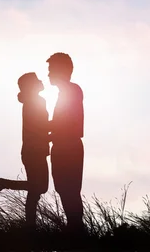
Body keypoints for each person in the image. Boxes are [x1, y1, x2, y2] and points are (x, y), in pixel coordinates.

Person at [0, 72, 50, 229]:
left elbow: (40, 127)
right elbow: (40, 127)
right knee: (40, 187)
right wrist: (59, 128)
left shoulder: (31, 102)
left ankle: (30, 226)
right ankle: (6, 183)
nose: (41, 81)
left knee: (35, 190)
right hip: (35, 151)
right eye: (37, 80)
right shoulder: (36, 102)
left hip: (33, 150)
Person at [46, 52, 85, 234]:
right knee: (64, 189)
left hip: (68, 147)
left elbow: (69, 124)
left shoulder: (72, 91)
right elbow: (62, 123)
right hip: (62, 146)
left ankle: (77, 231)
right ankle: (74, 230)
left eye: (51, 69)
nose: (48, 74)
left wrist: (45, 131)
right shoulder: (65, 93)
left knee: (69, 189)